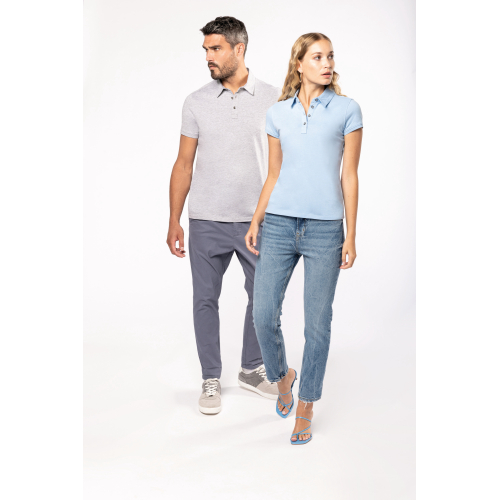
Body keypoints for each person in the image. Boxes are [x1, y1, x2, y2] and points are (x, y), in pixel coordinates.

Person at [245, 33, 363, 443]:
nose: (327, 63)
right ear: (299, 64)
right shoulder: (278, 113)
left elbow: (350, 175)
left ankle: (307, 403)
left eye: (330, 56)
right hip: (278, 224)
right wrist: (257, 218)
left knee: (317, 324)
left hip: (325, 229)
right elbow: (274, 173)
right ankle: (283, 378)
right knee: (263, 314)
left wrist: (351, 233)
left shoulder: (347, 110)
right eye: (317, 57)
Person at [167, 17, 281, 415]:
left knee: (264, 299)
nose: (208, 57)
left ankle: (251, 369)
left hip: (258, 220)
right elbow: (183, 164)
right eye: (206, 50)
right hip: (206, 219)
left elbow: (285, 163)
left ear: (239, 48)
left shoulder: (274, 98)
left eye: (215, 49)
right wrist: (174, 219)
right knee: (205, 300)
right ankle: (210, 378)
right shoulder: (196, 101)